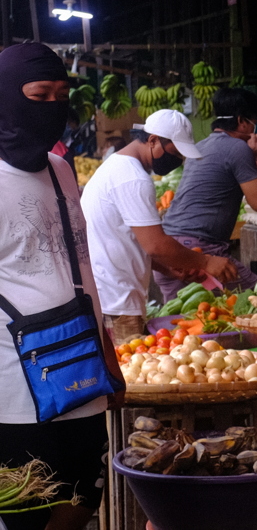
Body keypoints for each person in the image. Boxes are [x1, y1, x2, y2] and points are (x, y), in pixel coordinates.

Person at [0, 42, 123, 530]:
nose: (52, 108)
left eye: (60, 96)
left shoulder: (62, 171)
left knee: (80, 508)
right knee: (27, 519)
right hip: (13, 390)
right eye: (38, 95)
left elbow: (81, 268)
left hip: (81, 378)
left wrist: (108, 352)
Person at [81, 110, 237, 345]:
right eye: (175, 153)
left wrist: (169, 269)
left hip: (108, 295)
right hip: (117, 298)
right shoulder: (133, 178)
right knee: (128, 376)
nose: (177, 162)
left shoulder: (115, 168)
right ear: (153, 140)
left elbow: (129, 239)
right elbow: (155, 245)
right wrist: (206, 262)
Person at [155, 88, 257, 299]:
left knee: (178, 322)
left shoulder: (199, 146)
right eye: (255, 121)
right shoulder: (238, 148)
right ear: (242, 121)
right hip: (200, 250)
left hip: (170, 248)